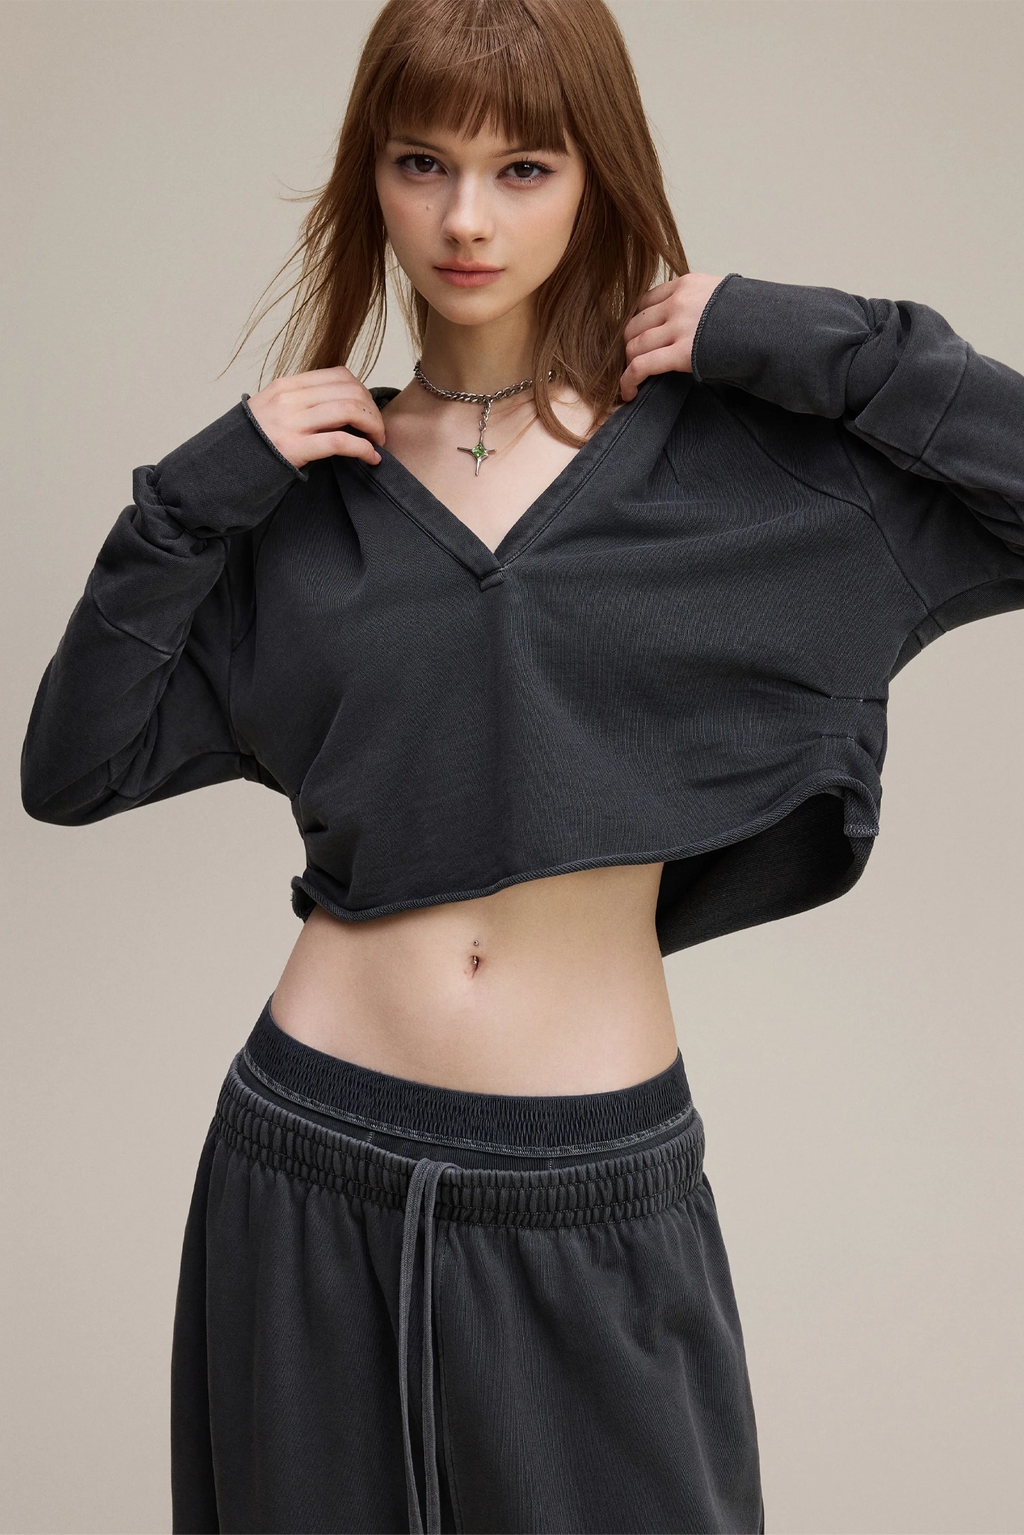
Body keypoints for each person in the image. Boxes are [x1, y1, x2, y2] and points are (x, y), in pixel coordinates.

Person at [19, 0, 1024, 1532]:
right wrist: (193, 494)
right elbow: (71, 764)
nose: (468, 218)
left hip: (589, 1191)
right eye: (423, 163)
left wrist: (807, 336)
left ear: (596, 179)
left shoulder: (741, 472)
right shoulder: (303, 499)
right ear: (372, 180)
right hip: (302, 1162)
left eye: (527, 167)